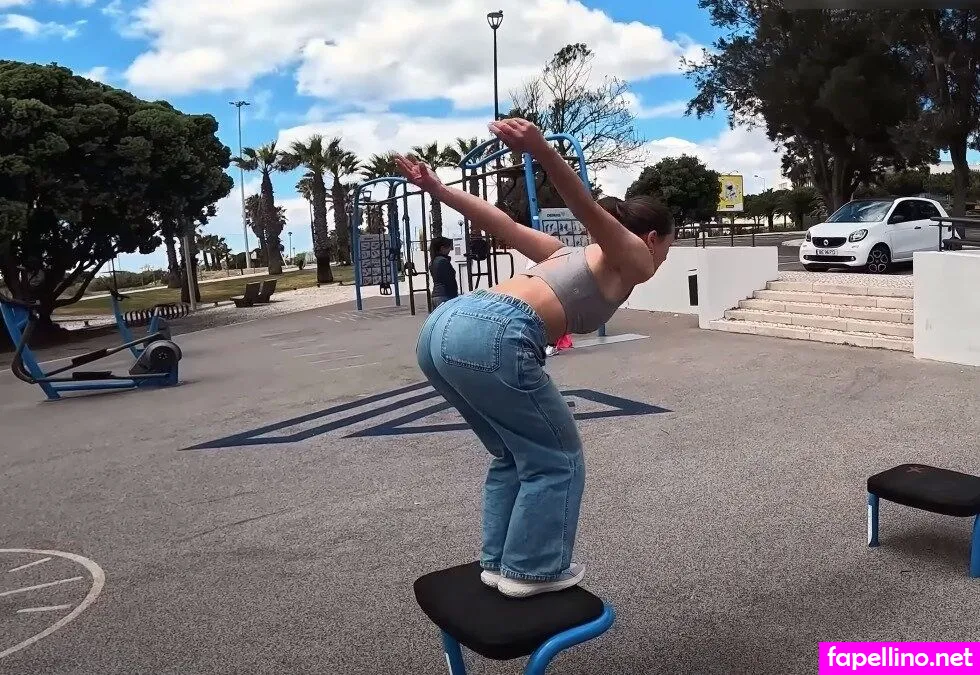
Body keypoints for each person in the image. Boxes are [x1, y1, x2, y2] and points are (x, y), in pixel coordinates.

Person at [395, 118, 675, 599]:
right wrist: (541, 149)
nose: (667, 254)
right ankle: (532, 570)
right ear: (651, 237)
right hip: (493, 332)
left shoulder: (561, 254)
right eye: (670, 242)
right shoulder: (637, 258)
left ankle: (499, 563)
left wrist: (438, 190)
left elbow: (499, 224)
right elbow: (586, 208)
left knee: (514, 453)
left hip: (444, 327)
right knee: (558, 459)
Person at [428, 236, 458, 309]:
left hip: (437, 295)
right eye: (448, 247)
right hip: (445, 296)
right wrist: (455, 297)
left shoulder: (433, 261)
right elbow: (449, 281)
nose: (450, 250)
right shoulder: (442, 261)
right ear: (442, 248)